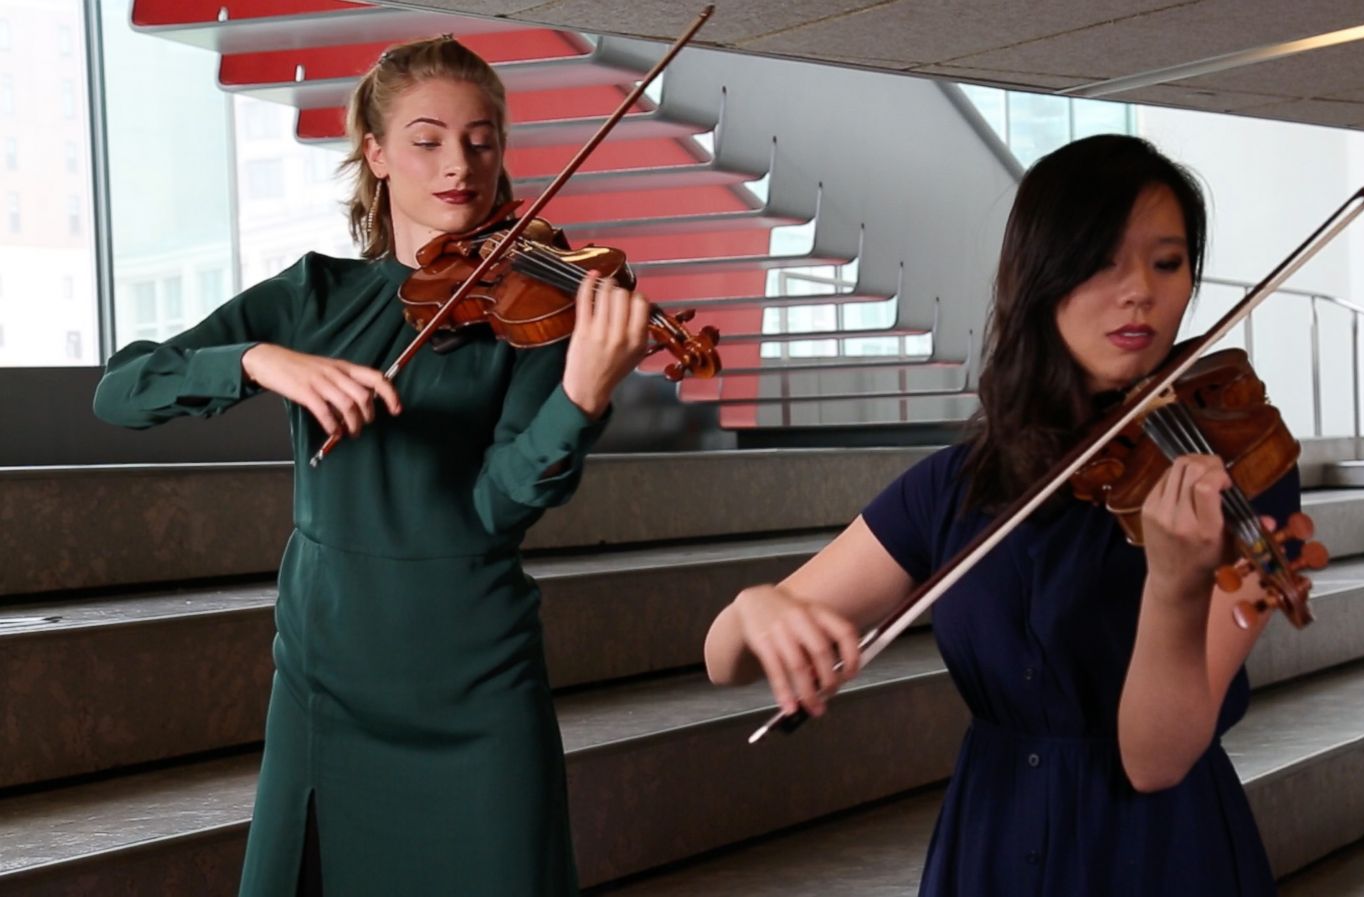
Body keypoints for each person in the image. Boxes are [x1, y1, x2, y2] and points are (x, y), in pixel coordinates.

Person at [93, 36, 649, 897]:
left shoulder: (539, 306)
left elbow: (499, 506)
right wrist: (255, 359)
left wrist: (579, 396)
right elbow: (122, 392)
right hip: (331, 674)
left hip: (476, 677)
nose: (459, 163)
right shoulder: (312, 295)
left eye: (481, 138)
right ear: (377, 155)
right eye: (426, 140)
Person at [704, 134, 1298, 896]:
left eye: (1167, 262)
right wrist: (758, 609)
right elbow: (725, 657)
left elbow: (1156, 760)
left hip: (1159, 856)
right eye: (1103, 260)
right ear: (1039, 276)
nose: (1140, 293)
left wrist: (1176, 587)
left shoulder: (1241, 480)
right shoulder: (953, 487)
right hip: (990, 849)